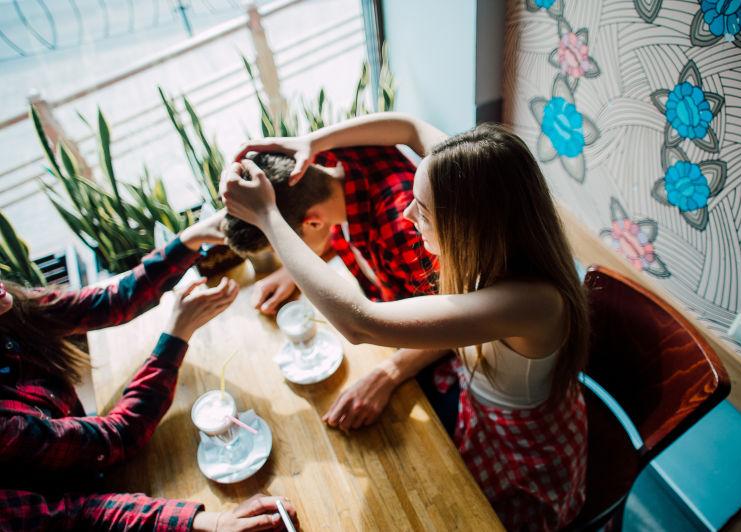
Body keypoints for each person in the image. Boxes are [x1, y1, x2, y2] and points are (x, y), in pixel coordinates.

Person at [222, 113, 589, 531]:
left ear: (470, 224)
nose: (408, 215)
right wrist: (310, 142)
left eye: (424, 211)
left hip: (518, 444)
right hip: (477, 397)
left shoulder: (529, 303)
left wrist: (269, 216)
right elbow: (410, 128)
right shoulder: (474, 188)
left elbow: (361, 325)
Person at [0, 212, 299, 531]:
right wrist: (176, 335)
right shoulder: (7, 426)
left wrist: (190, 239)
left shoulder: (10, 309)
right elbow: (115, 442)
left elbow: (106, 302)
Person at [223, 144, 460, 435]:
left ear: (312, 221)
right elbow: (333, 233)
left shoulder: (406, 233)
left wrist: (390, 372)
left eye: (282, 248)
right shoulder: (337, 180)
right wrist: (293, 272)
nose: (287, 256)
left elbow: (459, 317)